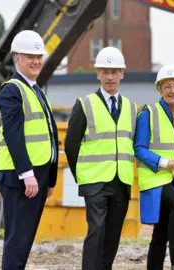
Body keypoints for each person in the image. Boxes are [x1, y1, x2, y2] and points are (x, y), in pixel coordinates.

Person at [64, 46, 138, 270]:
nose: (110, 77)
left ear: (122, 74)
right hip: (94, 182)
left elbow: (133, 144)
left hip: (121, 182)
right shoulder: (84, 105)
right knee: (96, 230)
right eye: (105, 72)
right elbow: (70, 146)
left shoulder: (132, 108)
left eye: (114, 72)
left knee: (113, 234)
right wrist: (83, 177)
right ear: (98, 74)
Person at [0, 30, 59, 270]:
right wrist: (27, 174)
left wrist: (49, 178)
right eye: (29, 56)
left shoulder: (36, 90)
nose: (35, 61)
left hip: (36, 177)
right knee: (17, 242)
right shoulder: (12, 90)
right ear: (16, 58)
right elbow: (13, 136)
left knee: (24, 240)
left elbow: (49, 136)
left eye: (38, 56)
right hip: (19, 177)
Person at [134, 64, 174, 270]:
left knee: (159, 234)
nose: (172, 91)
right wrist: (166, 163)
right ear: (159, 90)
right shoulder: (148, 114)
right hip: (155, 179)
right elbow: (139, 149)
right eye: (167, 86)